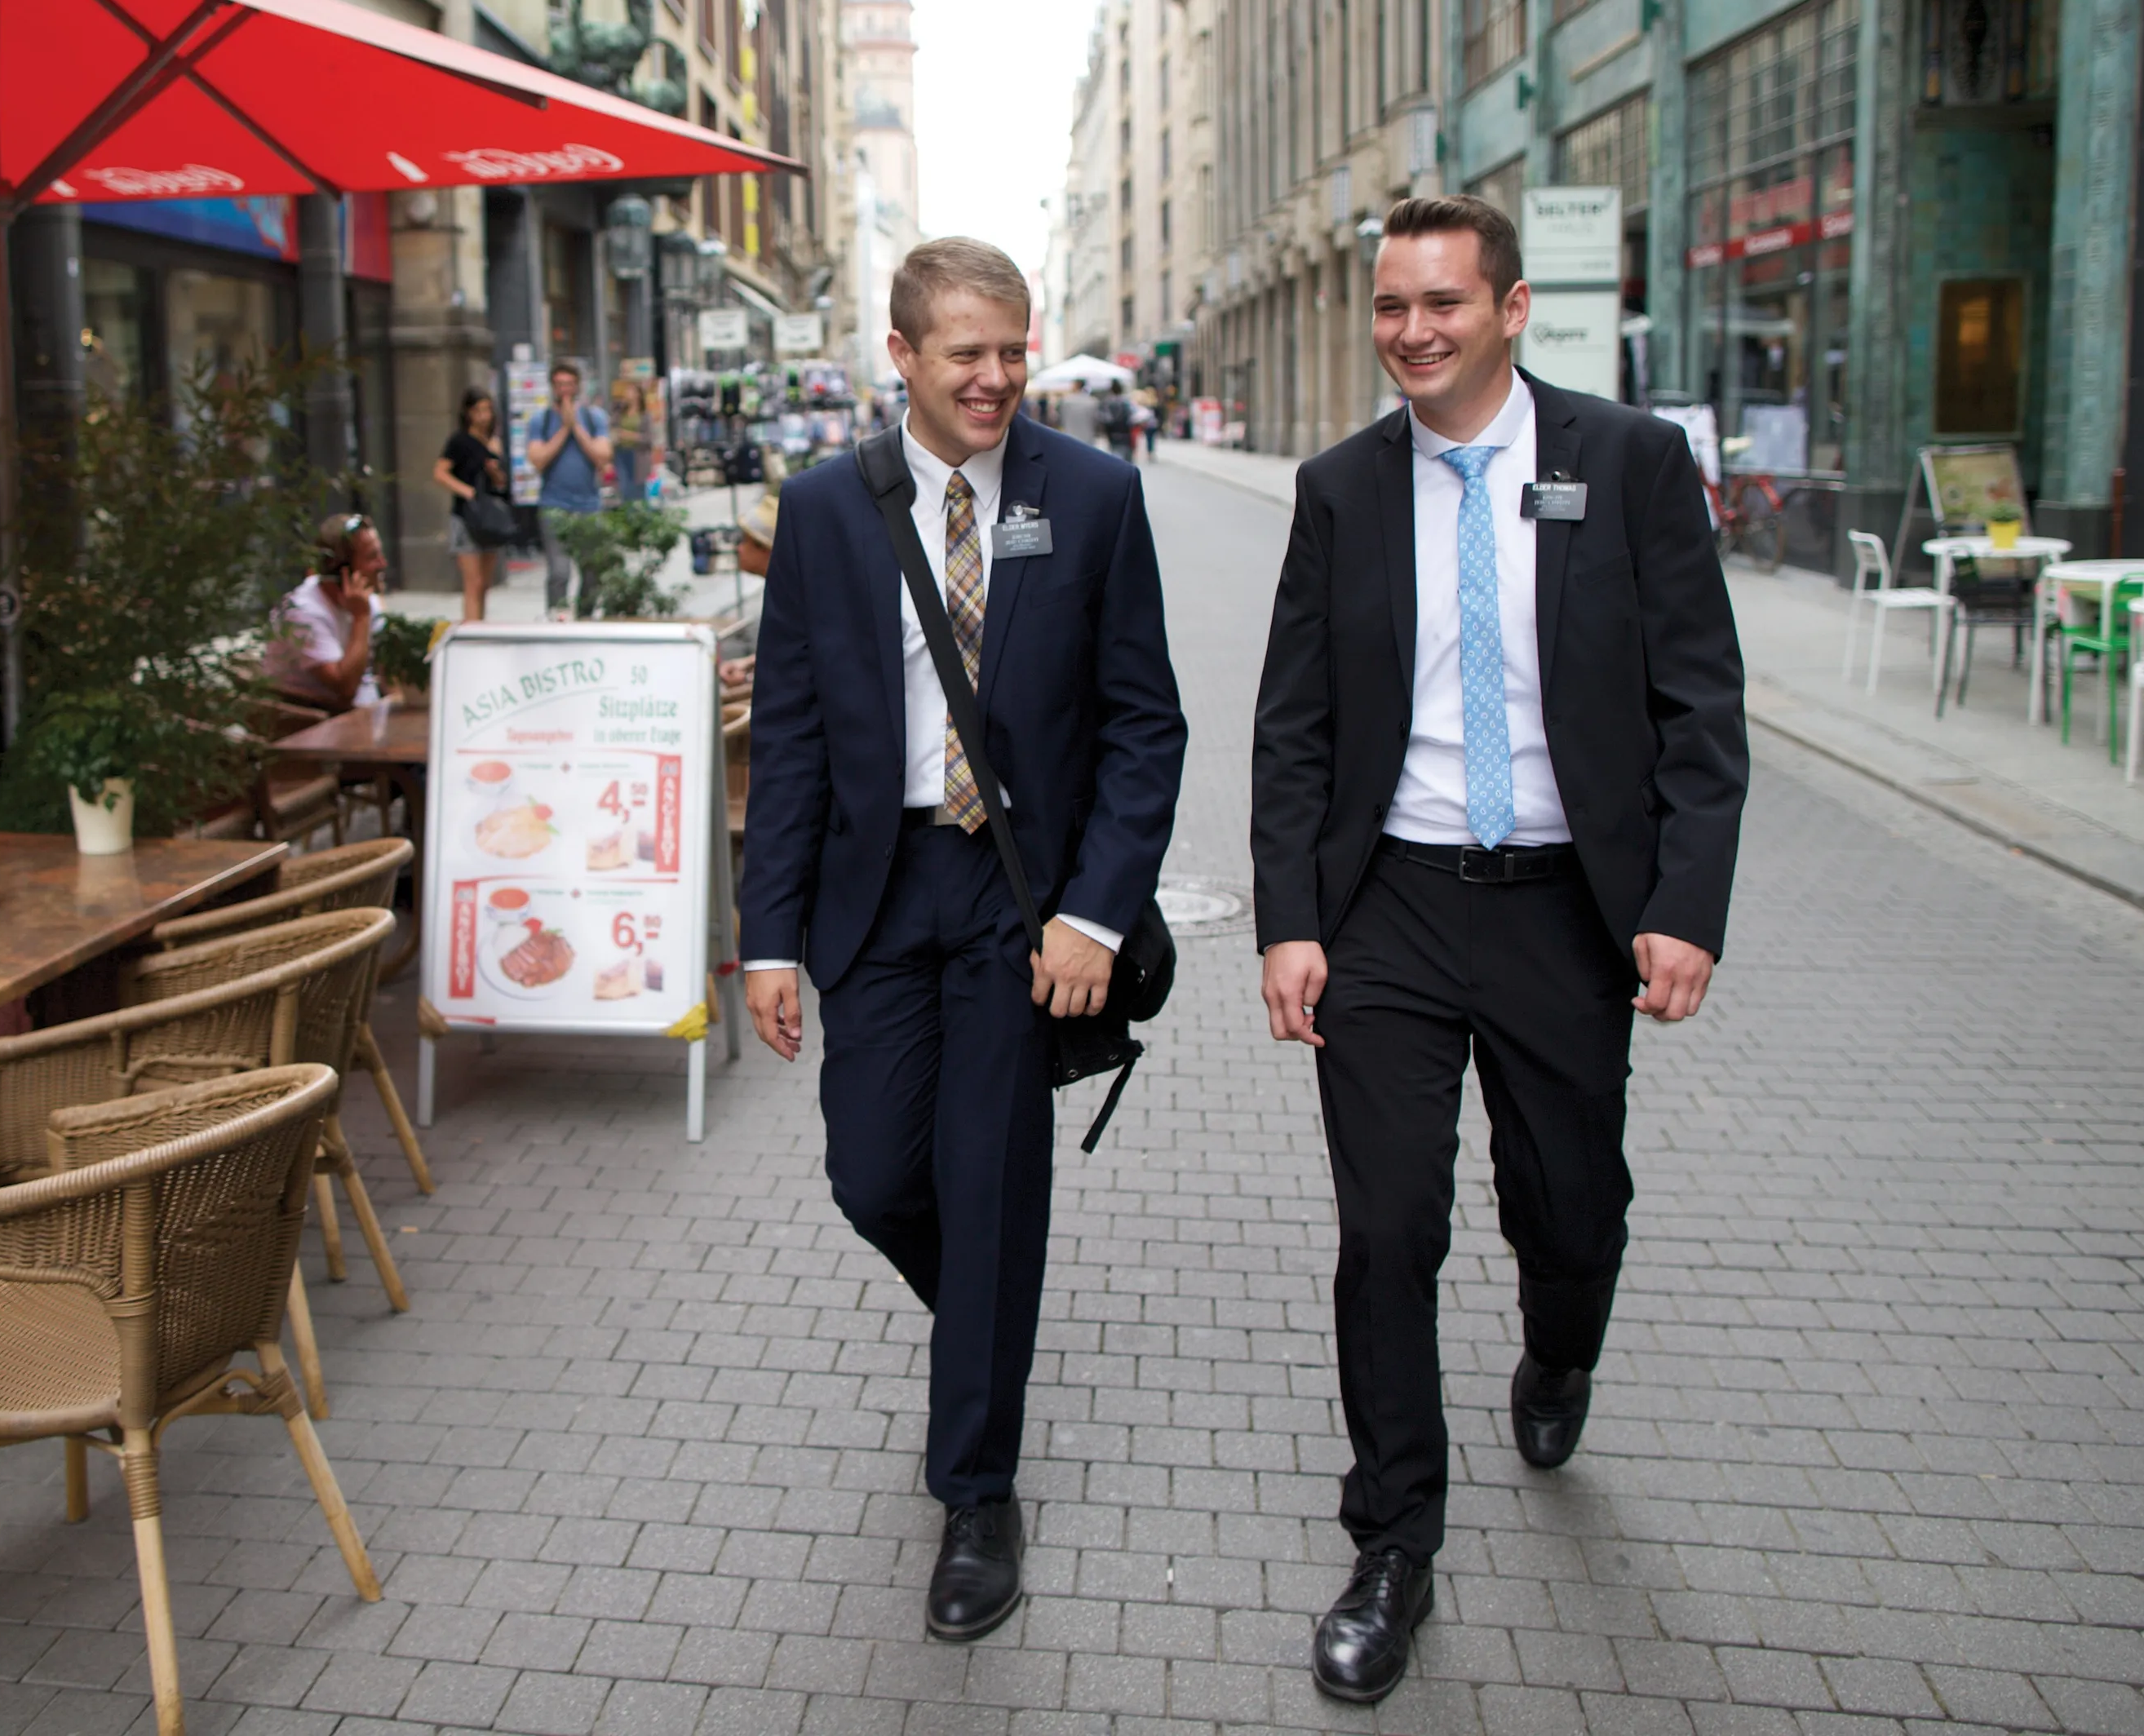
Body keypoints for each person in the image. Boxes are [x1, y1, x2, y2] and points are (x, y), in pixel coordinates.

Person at [1250, 193, 1746, 1704]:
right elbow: (1295, 726)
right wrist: (1287, 919)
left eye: (1442, 306)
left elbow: (1701, 713)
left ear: (1511, 309)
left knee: (1568, 1203)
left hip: (1564, 911)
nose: (1411, 332)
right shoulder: (1340, 487)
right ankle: (1394, 1542)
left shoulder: (1631, 464)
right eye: (1393, 307)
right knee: (1389, 1227)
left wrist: (1683, 905)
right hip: (1391, 904)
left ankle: (1558, 1345)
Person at [740, 237, 1185, 1644]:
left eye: (1012, 350)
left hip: (1023, 900)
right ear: (903, 359)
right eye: (964, 355)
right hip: (873, 898)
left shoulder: (1095, 497)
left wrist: (1093, 914)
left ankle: (977, 1489)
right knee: (876, 1177)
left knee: (990, 1181)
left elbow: (1142, 727)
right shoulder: (822, 511)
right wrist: (764, 939)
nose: (995, 378)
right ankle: (986, 1327)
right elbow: (796, 735)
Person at [264, 512, 391, 713]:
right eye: (372, 557)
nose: (382, 564)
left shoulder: (368, 601)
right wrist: (361, 618)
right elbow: (345, 687)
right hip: (314, 725)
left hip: (365, 715)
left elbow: (387, 671)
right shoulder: (302, 613)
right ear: (343, 570)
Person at [525, 360, 614, 618]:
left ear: (578, 386)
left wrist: (575, 425)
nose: (564, 389)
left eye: (569, 384)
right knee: (559, 572)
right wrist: (564, 428)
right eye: (559, 384)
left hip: (589, 505)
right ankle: (557, 618)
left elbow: (602, 456)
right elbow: (538, 460)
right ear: (552, 386)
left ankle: (585, 617)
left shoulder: (593, 417)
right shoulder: (540, 421)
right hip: (554, 505)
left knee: (591, 570)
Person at [429, 388, 507, 623]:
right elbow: (440, 473)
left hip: (489, 515)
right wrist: (466, 491)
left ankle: (480, 624)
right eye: (478, 410)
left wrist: (495, 470)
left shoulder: (494, 442)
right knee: (472, 582)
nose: (483, 416)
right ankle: (471, 628)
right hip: (466, 515)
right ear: (468, 413)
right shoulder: (459, 441)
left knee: (484, 582)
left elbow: (501, 482)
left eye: (487, 410)